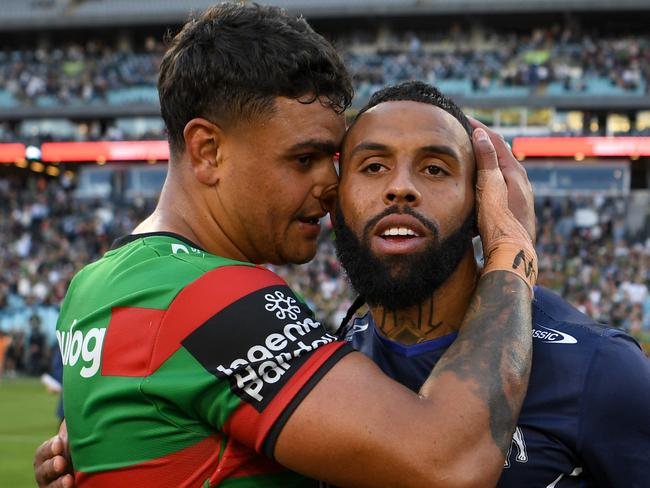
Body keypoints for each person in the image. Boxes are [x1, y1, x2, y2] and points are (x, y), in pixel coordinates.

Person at [34, 4, 537, 488]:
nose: (331, 183)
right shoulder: (210, 299)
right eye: (305, 159)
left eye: (334, 158)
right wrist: (510, 255)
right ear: (208, 151)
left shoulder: (95, 282)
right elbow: (446, 462)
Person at [333, 81, 650, 487]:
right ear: (335, 203)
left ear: (481, 204)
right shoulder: (326, 364)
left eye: (435, 169)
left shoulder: (600, 368)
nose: (400, 188)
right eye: (374, 166)